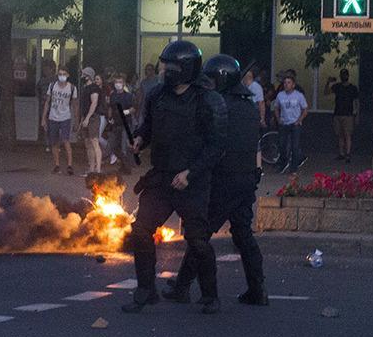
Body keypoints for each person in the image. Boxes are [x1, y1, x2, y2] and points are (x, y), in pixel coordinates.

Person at [123, 40, 226, 315]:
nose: (165, 71)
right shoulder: (157, 95)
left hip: (192, 181)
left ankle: (210, 295)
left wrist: (191, 173)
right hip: (161, 178)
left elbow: (216, 146)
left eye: (171, 67)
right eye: (165, 65)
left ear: (186, 68)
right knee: (140, 231)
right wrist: (140, 139)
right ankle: (146, 290)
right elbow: (148, 126)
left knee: (198, 241)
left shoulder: (209, 100)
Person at [162, 55, 267, 307]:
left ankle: (184, 288)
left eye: (210, 80)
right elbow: (255, 147)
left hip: (223, 181)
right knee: (243, 235)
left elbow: (207, 144)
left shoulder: (219, 106)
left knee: (200, 234)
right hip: (246, 180)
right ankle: (258, 290)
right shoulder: (249, 107)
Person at [42, 68, 78, 175]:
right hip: (53, 117)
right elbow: (47, 102)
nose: (61, 76)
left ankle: (69, 165)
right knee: (54, 142)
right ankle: (57, 165)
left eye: (64, 74)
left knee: (66, 140)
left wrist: (76, 120)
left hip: (65, 117)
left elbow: (75, 105)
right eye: (60, 74)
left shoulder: (72, 88)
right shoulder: (52, 86)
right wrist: (43, 118)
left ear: (68, 75)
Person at [272, 73, 308, 173]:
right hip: (284, 123)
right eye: (285, 83)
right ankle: (283, 163)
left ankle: (293, 168)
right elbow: (276, 107)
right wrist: (278, 119)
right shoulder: (280, 95)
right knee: (282, 145)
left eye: (288, 83)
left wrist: (299, 120)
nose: (286, 85)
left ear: (293, 85)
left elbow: (305, 109)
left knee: (294, 146)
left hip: (295, 124)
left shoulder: (299, 95)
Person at [325, 68, 359, 163]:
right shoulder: (337, 86)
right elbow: (326, 93)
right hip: (338, 114)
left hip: (348, 115)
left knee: (347, 135)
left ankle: (347, 154)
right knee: (340, 135)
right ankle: (341, 153)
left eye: (345, 75)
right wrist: (328, 82)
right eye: (342, 75)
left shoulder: (353, 88)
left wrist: (357, 114)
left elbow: (357, 101)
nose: (344, 76)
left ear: (348, 76)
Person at [108, 74, 136, 173]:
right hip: (116, 123)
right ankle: (124, 164)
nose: (118, 84)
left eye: (120, 82)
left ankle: (127, 167)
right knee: (114, 146)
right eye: (116, 82)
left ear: (123, 83)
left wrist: (126, 112)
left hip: (126, 123)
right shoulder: (113, 95)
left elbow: (134, 108)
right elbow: (111, 107)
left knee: (124, 146)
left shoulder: (129, 96)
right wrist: (110, 118)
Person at [80, 67, 105, 175]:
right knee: (88, 143)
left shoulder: (94, 88)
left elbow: (94, 103)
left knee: (94, 142)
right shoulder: (85, 88)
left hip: (93, 117)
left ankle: (98, 169)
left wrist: (87, 118)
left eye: (83, 75)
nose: (82, 76)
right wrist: (82, 119)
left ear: (88, 76)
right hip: (86, 117)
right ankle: (91, 169)